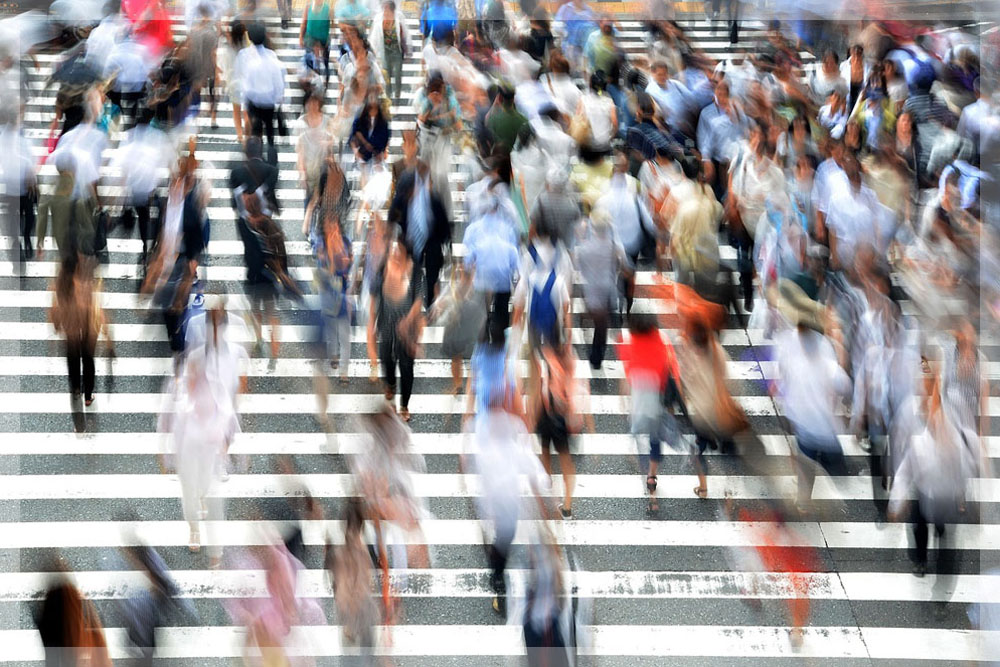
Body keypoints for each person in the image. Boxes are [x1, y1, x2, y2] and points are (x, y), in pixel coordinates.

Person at [367, 238, 425, 421]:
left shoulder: (415, 272)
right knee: (386, 357)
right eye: (393, 250)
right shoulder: (385, 266)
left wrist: (408, 320)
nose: (395, 253)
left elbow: (419, 299)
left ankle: (404, 405)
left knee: (407, 367)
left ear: (406, 253)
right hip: (386, 323)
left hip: (407, 329)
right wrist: (372, 319)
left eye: (399, 250)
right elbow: (375, 293)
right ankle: (390, 383)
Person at [49, 255, 111, 408]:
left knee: (73, 356)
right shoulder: (87, 272)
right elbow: (97, 306)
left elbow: (55, 303)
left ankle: (76, 388)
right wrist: (108, 335)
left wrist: (56, 322)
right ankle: (88, 395)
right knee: (88, 358)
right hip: (89, 322)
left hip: (72, 321)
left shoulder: (64, 277)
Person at [390, 161, 451, 310]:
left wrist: (445, 243)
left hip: (432, 243)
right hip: (410, 242)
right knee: (411, 275)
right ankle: (409, 305)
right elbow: (393, 216)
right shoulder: (403, 198)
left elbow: (444, 226)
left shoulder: (433, 199)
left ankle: (429, 304)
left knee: (431, 276)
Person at [237, 21, 286, 166]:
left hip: (254, 103)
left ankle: (256, 159)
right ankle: (272, 162)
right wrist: (280, 99)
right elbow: (279, 81)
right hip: (269, 103)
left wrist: (245, 102)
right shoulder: (271, 56)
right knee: (270, 131)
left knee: (255, 132)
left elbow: (245, 83)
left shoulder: (244, 56)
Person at [370, 1, 410, 102]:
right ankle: (388, 96)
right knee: (386, 75)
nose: (385, 11)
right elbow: (374, 37)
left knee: (397, 74)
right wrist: (373, 51)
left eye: (387, 8)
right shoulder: (379, 18)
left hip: (397, 51)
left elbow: (405, 33)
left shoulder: (399, 17)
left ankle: (397, 94)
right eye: (384, 8)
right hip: (385, 51)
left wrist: (409, 49)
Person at [299, 0, 332, 85]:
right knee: (311, 63)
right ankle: (314, 83)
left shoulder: (327, 8)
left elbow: (330, 24)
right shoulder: (308, 7)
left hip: (322, 40)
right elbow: (304, 23)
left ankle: (324, 81)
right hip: (311, 40)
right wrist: (301, 37)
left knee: (324, 62)